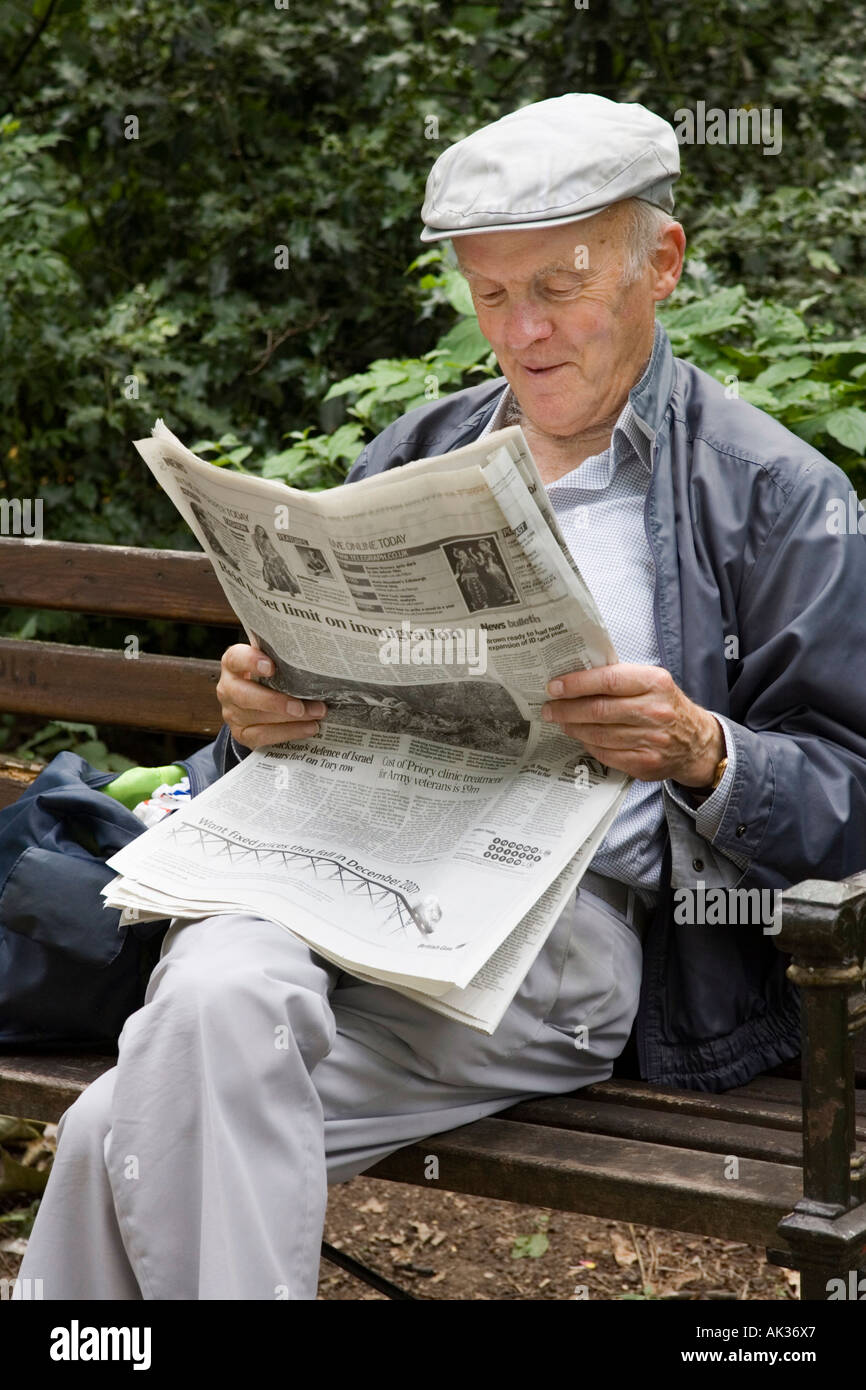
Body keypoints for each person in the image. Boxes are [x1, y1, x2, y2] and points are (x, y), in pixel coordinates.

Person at [17, 93, 866, 1301]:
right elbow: (319, 707)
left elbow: (852, 792)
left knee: (123, 1133)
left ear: (658, 262)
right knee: (203, 1001)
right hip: (333, 893)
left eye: (557, 287)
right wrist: (255, 709)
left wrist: (701, 749)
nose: (520, 334)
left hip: (544, 954)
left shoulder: (775, 496)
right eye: (489, 293)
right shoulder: (416, 450)